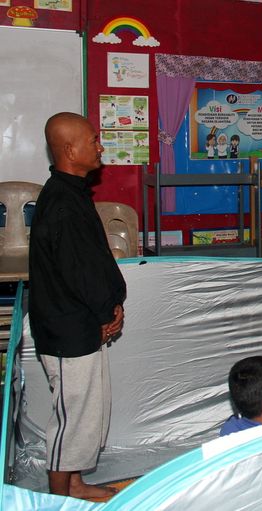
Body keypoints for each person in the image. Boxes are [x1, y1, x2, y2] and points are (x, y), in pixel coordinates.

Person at [29, 112, 127, 499]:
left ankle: (75, 484)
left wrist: (111, 306)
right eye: (93, 140)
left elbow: (94, 262)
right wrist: (106, 311)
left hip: (82, 324)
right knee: (72, 419)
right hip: (68, 331)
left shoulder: (72, 193)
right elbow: (79, 273)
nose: (99, 146)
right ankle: (56, 499)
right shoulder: (63, 204)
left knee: (87, 414)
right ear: (70, 150)